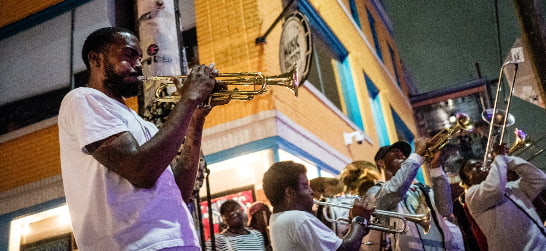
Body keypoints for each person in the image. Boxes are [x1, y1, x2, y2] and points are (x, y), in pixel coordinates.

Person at [58, 27, 227, 250]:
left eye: (140, 58)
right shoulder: (82, 99)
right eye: (129, 55)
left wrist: (195, 121)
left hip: (178, 241)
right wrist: (189, 98)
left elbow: (180, 193)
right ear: (95, 58)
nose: (138, 65)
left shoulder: (142, 123)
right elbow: (141, 171)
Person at [367, 138, 463, 251]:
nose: (402, 154)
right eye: (395, 151)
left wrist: (436, 167)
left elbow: (445, 209)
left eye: (404, 154)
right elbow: (395, 190)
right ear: (381, 162)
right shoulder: (374, 192)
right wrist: (416, 155)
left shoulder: (422, 189)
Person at [262, 160, 373, 251]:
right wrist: (359, 220)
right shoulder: (297, 219)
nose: (311, 192)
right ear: (289, 193)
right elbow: (345, 249)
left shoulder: (277, 218)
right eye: (305, 186)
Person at [459, 144, 546, 251]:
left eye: (482, 163)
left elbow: (539, 179)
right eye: (477, 165)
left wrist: (506, 159)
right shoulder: (472, 195)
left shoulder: (510, 187)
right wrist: (499, 158)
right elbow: (495, 188)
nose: (484, 166)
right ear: (468, 177)